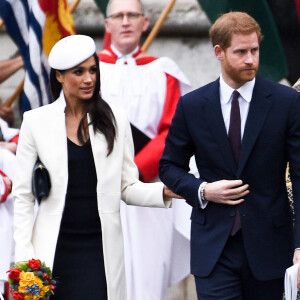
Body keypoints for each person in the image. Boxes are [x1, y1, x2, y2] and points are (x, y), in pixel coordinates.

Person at [12, 34, 179, 300]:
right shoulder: (35, 122)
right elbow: (22, 197)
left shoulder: (116, 119)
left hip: (101, 252)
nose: (89, 79)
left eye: (92, 70)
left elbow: (126, 186)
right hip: (51, 251)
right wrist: (23, 258)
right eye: (78, 72)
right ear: (59, 76)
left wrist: (163, 193)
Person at [159, 11, 300, 299]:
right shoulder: (192, 106)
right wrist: (203, 190)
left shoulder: (287, 102)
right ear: (219, 52)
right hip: (214, 250)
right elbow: (169, 166)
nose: (251, 59)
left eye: (255, 50)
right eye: (241, 52)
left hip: (271, 249)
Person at [98, 0, 193, 299]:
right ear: (107, 24)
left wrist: (135, 171)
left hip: (149, 189)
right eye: (118, 16)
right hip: (95, 187)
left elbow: (174, 130)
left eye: (132, 15)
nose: (125, 22)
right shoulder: (88, 71)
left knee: (148, 276)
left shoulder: (163, 72)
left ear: (145, 22)